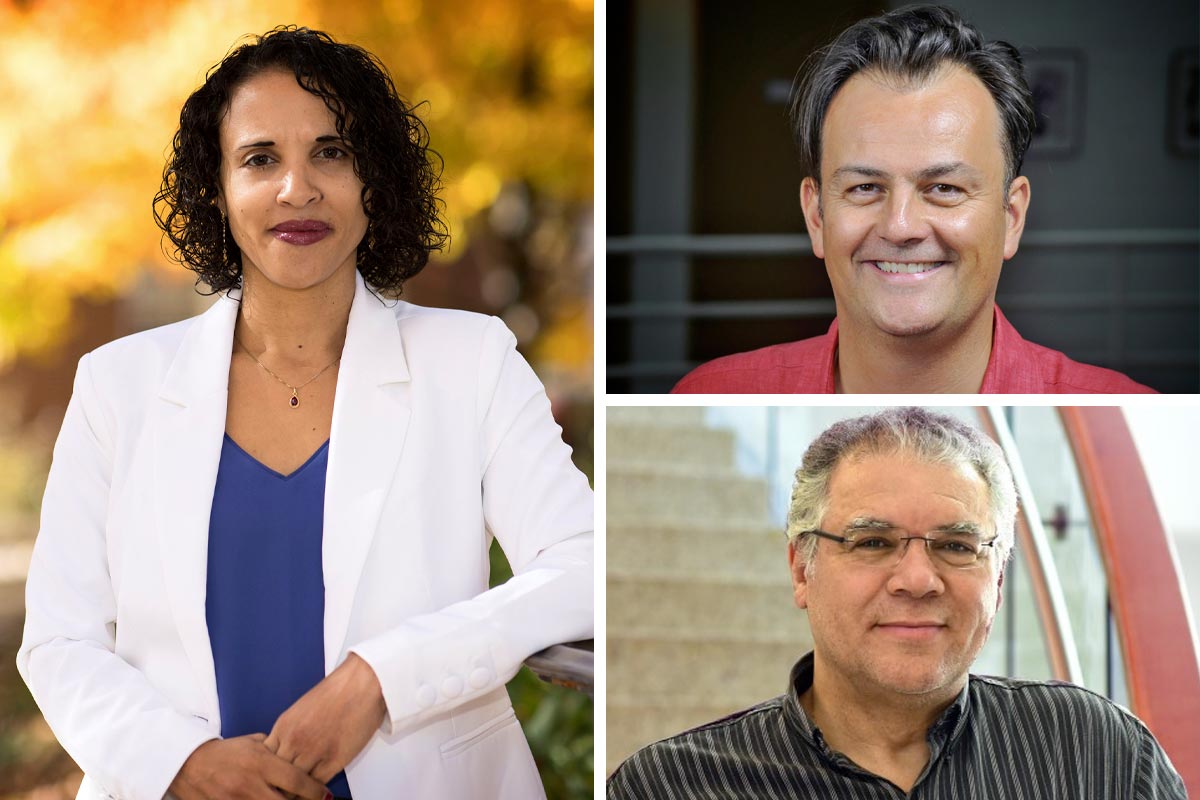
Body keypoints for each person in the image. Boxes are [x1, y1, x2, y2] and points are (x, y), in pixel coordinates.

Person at [18, 27, 593, 800]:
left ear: (375, 180)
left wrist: (382, 680)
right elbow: (60, 640)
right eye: (260, 159)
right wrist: (182, 763)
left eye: (332, 152)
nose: (298, 188)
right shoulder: (117, 386)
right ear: (217, 191)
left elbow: (584, 567)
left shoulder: (473, 361)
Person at [608, 408, 1185, 799]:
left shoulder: (1100, 757)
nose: (917, 579)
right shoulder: (672, 785)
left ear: (999, 579)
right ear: (801, 569)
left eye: (956, 546)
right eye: (874, 542)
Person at [672, 6, 1154, 394]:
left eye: (944, 188)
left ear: (1011, 217)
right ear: (816, 216)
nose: (900, 226)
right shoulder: (707, 393)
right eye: (865, 188)